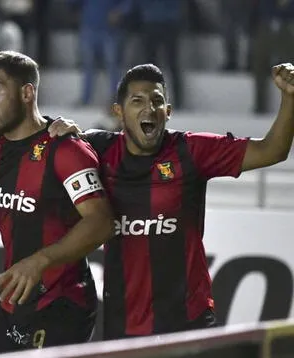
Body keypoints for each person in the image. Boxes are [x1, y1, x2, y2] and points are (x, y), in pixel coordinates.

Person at [80, 63, 294, 339]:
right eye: (137, 101)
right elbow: (47, 150)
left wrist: (290, 98)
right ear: (118, 112)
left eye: (157, 101)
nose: (149, 108)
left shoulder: (192, 151)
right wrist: (61, 128)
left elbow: (272, 150)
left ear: (168, 112)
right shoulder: (97, 149)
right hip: (122, 328)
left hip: (187, 325)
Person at [0, 51, 114, 355]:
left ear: (27, 92)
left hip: (61, 303)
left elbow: (100, 222)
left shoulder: (66, 150)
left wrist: (40, 261)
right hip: (13, 298)